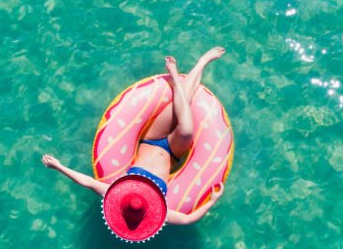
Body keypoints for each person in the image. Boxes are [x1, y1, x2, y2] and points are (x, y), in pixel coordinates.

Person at [42, 47, 226, 226]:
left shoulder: (117, 194)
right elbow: (187, 219)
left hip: (152, 139)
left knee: (183, 106)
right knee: (186, 129)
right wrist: (213, 200)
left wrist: (58, 166)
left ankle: (182, 77)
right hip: (173, 152)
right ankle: (200, 64)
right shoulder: (158, 212)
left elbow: (88, 182)